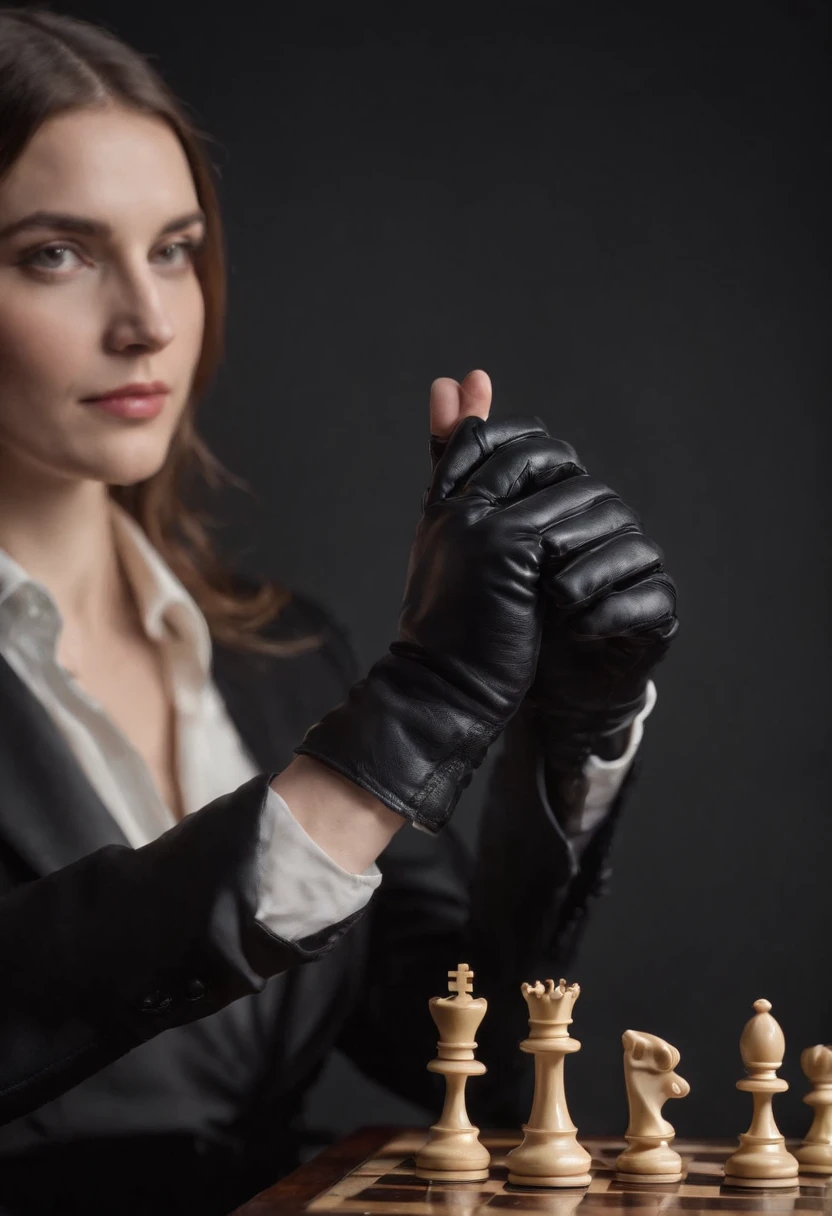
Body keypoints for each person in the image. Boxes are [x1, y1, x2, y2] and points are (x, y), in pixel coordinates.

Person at [0, 8, 678, 1214]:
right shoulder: (358, 704)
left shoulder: (284, 649)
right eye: (56, 252)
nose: (149, 319)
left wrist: (568, 724)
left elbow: (448, 1038)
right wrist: (402, 733)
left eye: (175, 248)